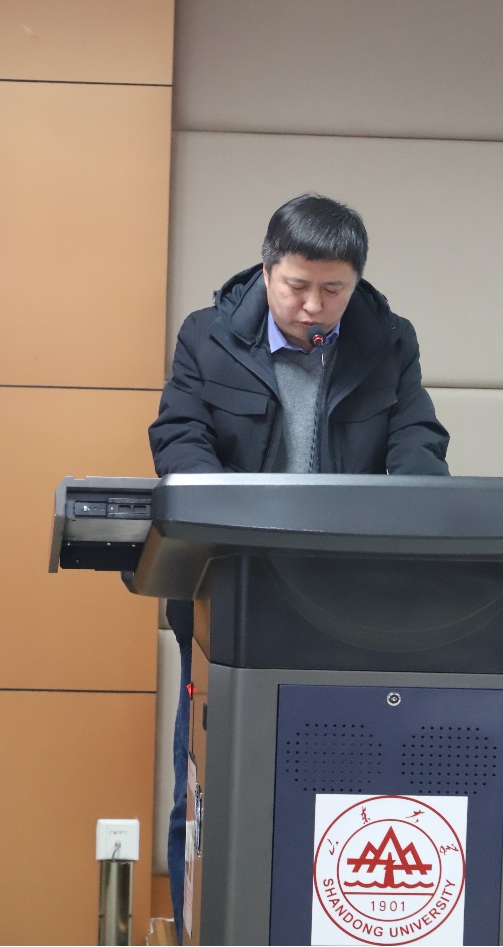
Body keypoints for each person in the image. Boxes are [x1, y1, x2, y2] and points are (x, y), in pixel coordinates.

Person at [148, 193, 449, 942]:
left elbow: (417, 441)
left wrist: (416, 512)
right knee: (215, 784)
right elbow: (180, 440)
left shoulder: (388, 341)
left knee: (346, 790)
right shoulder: (207, 337)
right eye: (297, 286)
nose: (313, 306)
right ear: (267, 269)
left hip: (351, 601)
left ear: (355, 282)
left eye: (333, 289)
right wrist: (234, 520)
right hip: (232, 593)